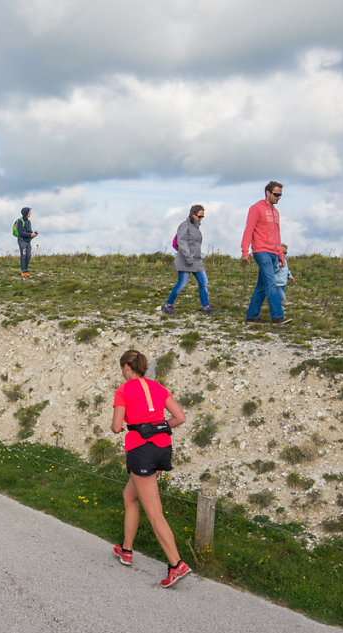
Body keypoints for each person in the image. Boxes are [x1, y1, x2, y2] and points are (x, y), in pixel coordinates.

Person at [110, 350, 191, 588]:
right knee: (129, 495)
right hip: (162, 448)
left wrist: (124, 427)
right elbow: (180, 417)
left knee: (154, 512)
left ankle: (176, 564)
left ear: (127, 367)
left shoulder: (123, 390)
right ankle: (126, 550)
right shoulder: (158, 387)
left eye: (121, 368)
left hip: (141, 451)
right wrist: (158, 426)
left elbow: (116, 427)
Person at [241, 181, 288, 325]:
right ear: (268, 193)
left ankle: (252, 317)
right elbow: (249, 229)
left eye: (280, 195)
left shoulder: (276, 212)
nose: (278, 197)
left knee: (262, 285)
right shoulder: (256, 208)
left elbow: (277, 235)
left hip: (274, 252)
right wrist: (245, 251)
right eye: (276, 194)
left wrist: (280, 255)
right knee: (271, 284)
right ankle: (278, 317)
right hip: (261, 251)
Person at [163, 205, 214, 314]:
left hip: (197, 261)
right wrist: (188, 256)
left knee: (204, 282)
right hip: (185, 260)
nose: (201, 219)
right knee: (182, 283)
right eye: (199, 216)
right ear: (192, 214)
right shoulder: (184, 225)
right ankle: (168, 306)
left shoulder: (196, 227)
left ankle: (206, 307)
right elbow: (181, 242)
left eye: (202, 217)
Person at [14, 207, 37, 277]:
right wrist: (30, 235)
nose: (30, 213)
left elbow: (30, 231)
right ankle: (23, 271)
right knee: (23, 256)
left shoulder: (29, 221)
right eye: (29, 211)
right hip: (22, 241)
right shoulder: (20, 221)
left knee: (28, 256)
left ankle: (26, 270)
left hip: (28, 241)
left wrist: (33, 234)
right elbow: (21, 233)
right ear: (26, 213)